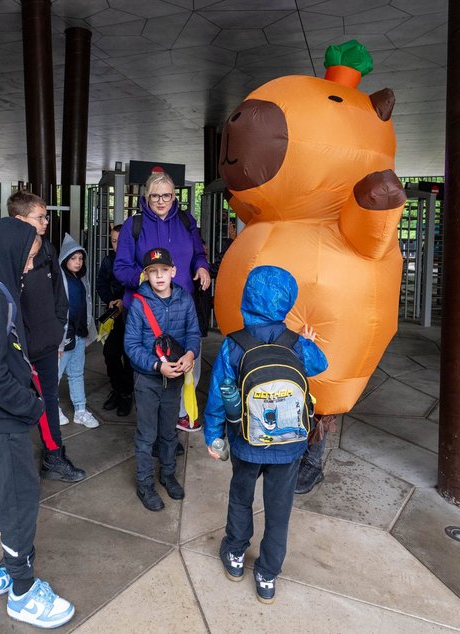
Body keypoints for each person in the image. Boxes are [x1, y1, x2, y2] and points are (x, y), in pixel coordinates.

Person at [0, 217, 75, 629]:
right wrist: (31, 406)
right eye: (29, 256)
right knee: (17, 502)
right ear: (11, 251)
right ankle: (22, 592)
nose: (31, 265)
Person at [203, 265, 327, 604]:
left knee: (241, 498)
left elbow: (218, 395)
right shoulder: (296, 343)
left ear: (247, 297)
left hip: (246, 441)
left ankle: (235, 555)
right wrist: (308, 342)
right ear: (288, 301)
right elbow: (320, 365)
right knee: (279, 508)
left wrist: (214, 437)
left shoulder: (233, 345)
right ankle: (268, 574)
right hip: (289, 446)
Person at [114, 171, 211, 433]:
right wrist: (143, 277)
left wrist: (202, 267)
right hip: (145, 308)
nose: (161, 201)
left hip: (182, 304)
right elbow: (120, 268)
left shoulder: (185, 220)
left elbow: (199, 254)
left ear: (174, 196)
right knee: (150, 367)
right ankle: (153, 426)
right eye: (155, 196)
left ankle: (180, 414)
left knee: (187, 358)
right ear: (146, 196)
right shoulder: (133, 226)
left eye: (166, 195)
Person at [8, 192, 85, 482]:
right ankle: (13, 467)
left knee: (48, 399)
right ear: (19, 220)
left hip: (45, 343)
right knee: (12, 405)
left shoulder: (48, 250)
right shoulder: (4, 255)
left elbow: (59, 298)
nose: (46, 222)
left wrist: (57, 333)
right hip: (16, 348)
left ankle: (53, 457)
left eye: (45, 216)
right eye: (40, 217)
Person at [124, 247, 200, 512]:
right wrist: (157, 366)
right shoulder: (139, 303)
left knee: (169, 432)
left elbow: (193, 333)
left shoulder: (184, 299)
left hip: (175, 379)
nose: (159, 277)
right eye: (153, 272)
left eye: (164, 271)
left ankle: (168, 474)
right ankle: (145, 483)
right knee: (147, 435)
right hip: (148, 380)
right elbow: (132, 345)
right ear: (146, 275)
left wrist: (190, 354)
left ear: (173, 272)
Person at [57, 233, 99, 428]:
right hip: (64, 337)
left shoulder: (80, 278)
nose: (78, 262)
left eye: (81, 258)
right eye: (73, 258)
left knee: (76, 373)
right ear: (65, 259)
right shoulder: (58, 280)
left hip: (79, 334)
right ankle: (52, 408)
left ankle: (80, 410)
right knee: (55, 375)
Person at [96, 224, 133, 416]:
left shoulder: (136, 261)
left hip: (132, 316)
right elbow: (101, 284)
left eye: (121, 241)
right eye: (113, 241)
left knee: (129, 357)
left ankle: (127, 394)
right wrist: (110, 301)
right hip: (113, 316)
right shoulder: (108, 260)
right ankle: (117, 389)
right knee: (110, 353)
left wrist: (124, 301)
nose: (117, 245)